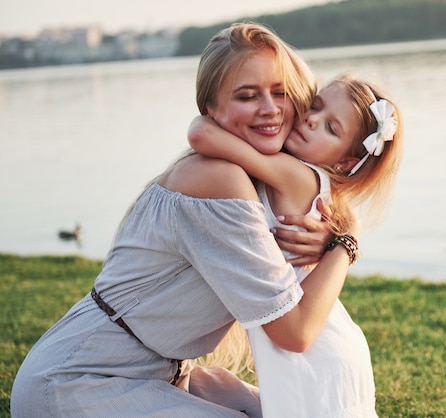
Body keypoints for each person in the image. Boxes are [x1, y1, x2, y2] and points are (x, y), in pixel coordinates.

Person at [11, 22, 360, 417]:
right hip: (79, 378)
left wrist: (333, 236)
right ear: (211, 109)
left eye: (280, 92)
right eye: (247, 96)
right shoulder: (217, 177)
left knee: (297, 410)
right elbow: (294, 332)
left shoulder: (254, 171)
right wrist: (345, 248)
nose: (270, 108)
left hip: (166, 372)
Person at [187, 72, 404, 417]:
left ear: (344, 163)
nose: (311, 119)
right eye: (315, 106)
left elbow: (201, 133)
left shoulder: (298, 176)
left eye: (331, 128)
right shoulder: (311, 182)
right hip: (315, 345)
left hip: (314, 349)